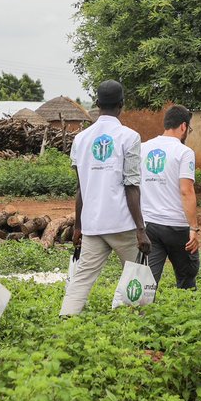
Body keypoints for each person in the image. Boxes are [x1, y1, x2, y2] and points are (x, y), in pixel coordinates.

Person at [60, 80, 150, 316]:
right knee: (135, 277)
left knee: (81, 279)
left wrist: (78, 226)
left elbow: (81, 188)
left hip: (92, 225)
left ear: (97, 104)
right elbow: (132, 186)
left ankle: (65, 321)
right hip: (122, 225)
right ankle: (136, 327)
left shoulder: (82, 139)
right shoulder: (129, 137)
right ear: (122, 104)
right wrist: (141, 229)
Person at [140, 105, 201, 290]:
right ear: (183, 126)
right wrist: (194, 228)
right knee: (187, 278)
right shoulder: (184, 152)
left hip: (149, 225)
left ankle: (141, 315)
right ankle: (186, 316)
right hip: (178, 227)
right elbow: (186, 191)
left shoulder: (143, 148)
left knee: (147, 281)